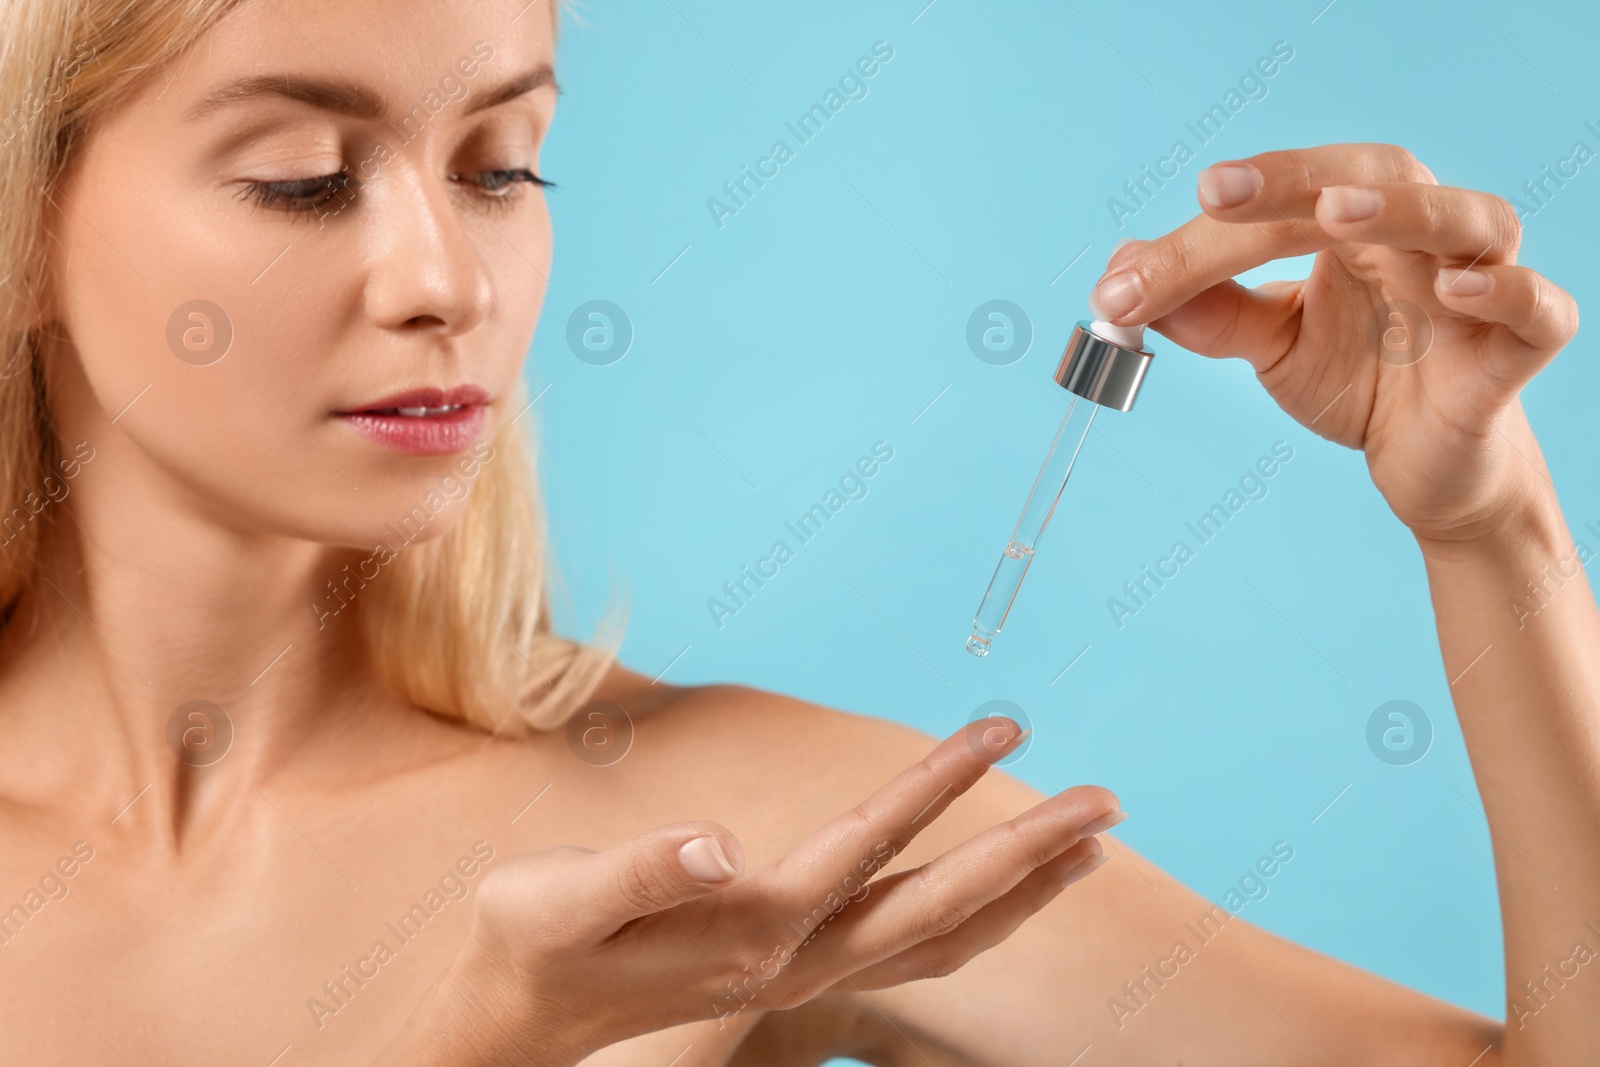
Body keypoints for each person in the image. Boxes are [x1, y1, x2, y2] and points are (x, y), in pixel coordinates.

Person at [0, 1, 1593, 1064]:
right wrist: (482, 1035)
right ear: (27, 216)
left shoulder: (727, 842)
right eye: (300, 179)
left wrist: (1493, 529)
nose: (451, 282)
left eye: (502, 165)